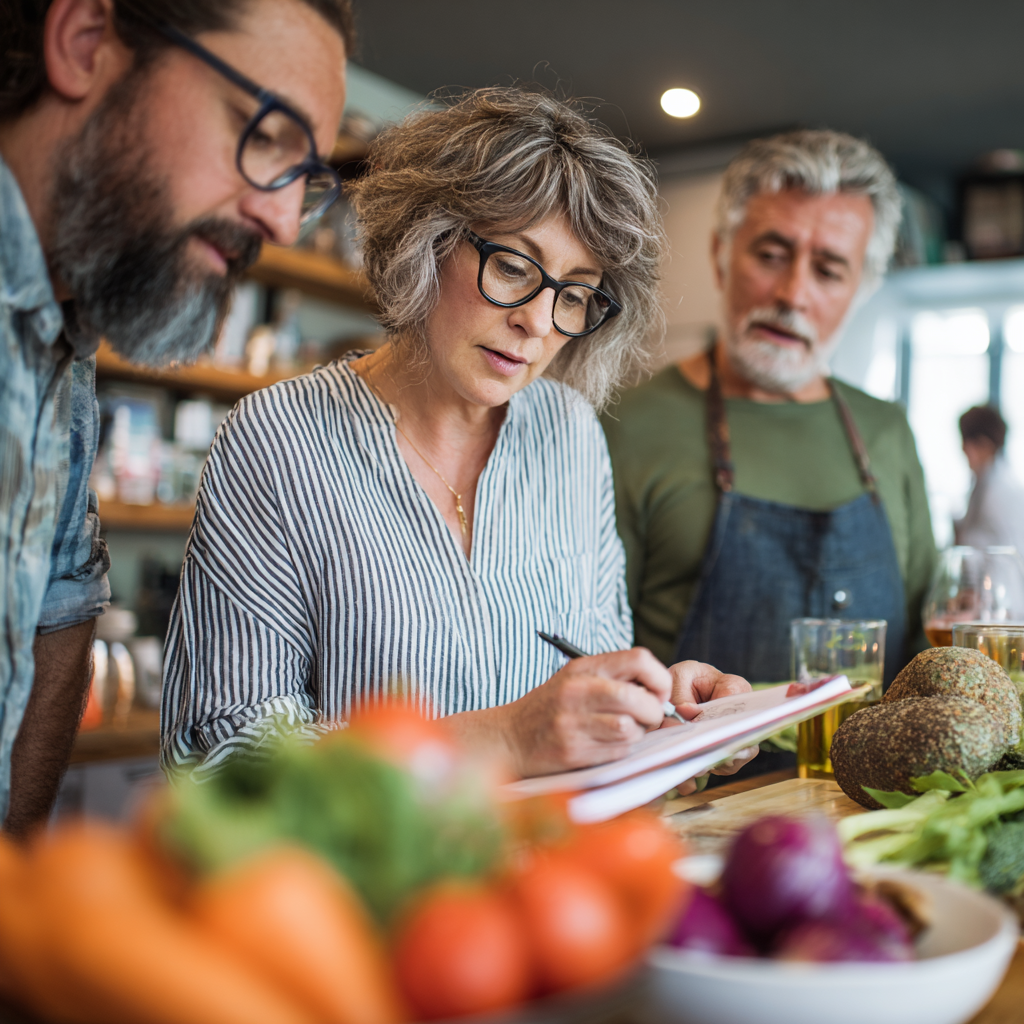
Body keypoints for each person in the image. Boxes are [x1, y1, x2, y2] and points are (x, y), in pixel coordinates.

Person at [162, 88, 758, 782]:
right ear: (428, 239)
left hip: (547, 883)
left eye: (573, 293)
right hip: (358, 888)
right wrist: (505, 739)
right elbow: (219, 759)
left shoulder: (569, 436)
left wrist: (663, 717)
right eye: (513, 265)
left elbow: (587, 697)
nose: (539, 322)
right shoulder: (278, 438)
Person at [0, 0, 352, 835]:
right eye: (264, 133)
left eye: (306, 178)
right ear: (87, 45)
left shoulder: (65, 332)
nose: (277, 217)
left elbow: (62, 601)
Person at [602, 130, 937, 778]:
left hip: (874, 815)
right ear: (721, 254)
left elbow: (928, 637)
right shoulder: (629, 424)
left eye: (829, 269)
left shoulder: (887, 433)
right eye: (771, 253)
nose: (792, 292)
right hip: (691, 811)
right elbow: (592, 657)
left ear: (860, 288)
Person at [955, 406, 1024, 555]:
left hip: (999, 577)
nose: (963, 449)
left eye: (967, 442)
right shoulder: (983, 482)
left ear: (985, 444)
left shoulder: (1000, 491)